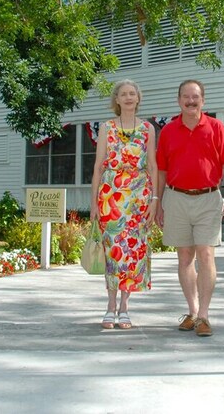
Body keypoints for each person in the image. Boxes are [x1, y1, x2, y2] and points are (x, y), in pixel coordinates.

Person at [156, 79, 224, 337]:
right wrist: (157, 203)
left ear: (203, 100)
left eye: (195, 97)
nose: (190, 101)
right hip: (176, 198)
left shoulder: (216, 128)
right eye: (186, 97)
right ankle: (191, 312)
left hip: (208, 198)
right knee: (184, 257)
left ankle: (204, 315)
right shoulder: (168, 131)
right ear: (178, 100)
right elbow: (161, 171)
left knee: (206, 255)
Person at [90, 79, 158, 330]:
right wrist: (94, 203)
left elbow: (152, 165)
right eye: (123, 94)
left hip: (139, 199)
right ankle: (110, 306)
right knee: (112, 254)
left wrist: (154, 199)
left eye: (132, 94)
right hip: (110, 198)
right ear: (116, 100)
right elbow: (98, 166)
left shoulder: (147, 129)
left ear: (138, 98)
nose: (129, 97)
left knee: (131, 252)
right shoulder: (106, 128)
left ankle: (125, 307)